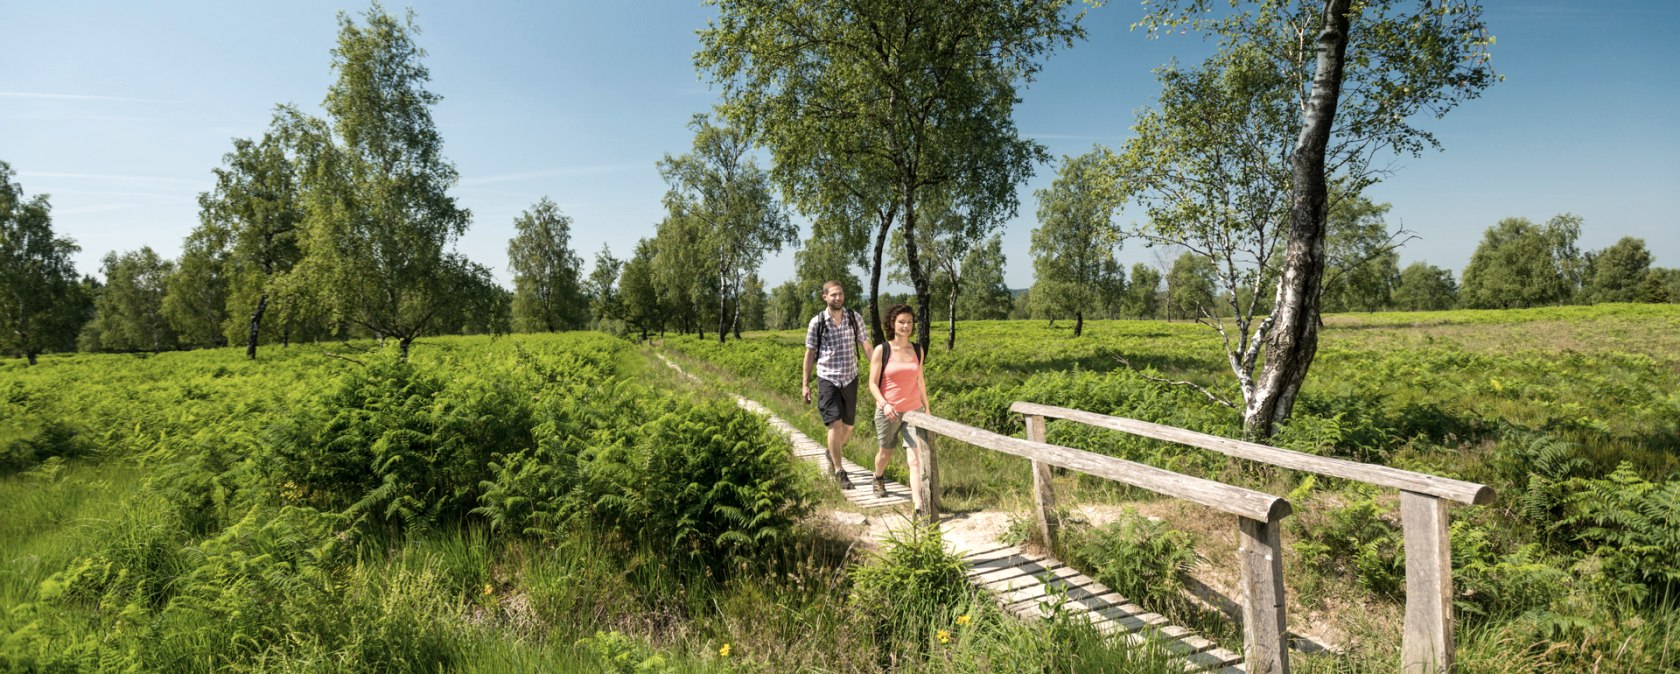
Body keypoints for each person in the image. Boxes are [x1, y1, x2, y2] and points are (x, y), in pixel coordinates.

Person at [802, 280, 871, 489]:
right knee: (835, 423)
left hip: (850, 376)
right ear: (825, 297)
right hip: (828, 378)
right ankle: (840, 471)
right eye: (833, 295)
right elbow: (810, 353)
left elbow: (866, 345)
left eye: (840, 294)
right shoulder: (817, 322)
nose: (837, 298)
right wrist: (805, 383)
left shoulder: (854, 317)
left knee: (849, 427)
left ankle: (831, 452)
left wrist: (879, 370)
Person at [866, 304, 931, 501]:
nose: (906, 326)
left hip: (913, 411)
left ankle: (918, 506)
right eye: (901, 322)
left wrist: (927, 408)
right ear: (892, 324)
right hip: (889, 411)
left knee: (915, 458)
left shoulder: (918, 350)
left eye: (909, 322)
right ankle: (878, 477)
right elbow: (872, 384)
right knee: (885, 454)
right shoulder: (882, 350)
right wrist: (884, 403)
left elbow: (920, 380)